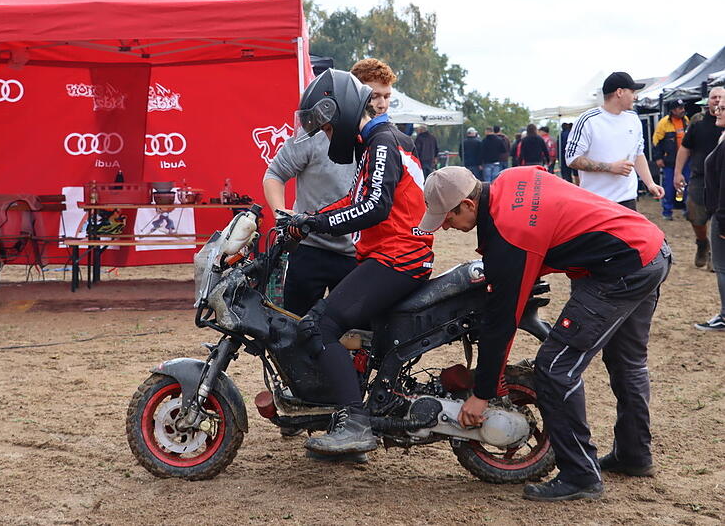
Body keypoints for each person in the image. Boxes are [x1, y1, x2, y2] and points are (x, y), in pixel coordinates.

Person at [419, 165, 671, 502]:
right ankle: (634, 454)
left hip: (620, 270)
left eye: (447, 217)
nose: (446, 226)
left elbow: (502, 320)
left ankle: (580, 475)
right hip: (649, 247)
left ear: (468, 204)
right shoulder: (511, 178)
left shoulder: (511, 234)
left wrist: (482, 393)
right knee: (628, 363)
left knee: (555, 369)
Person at [286, 69, 432, 456]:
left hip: (398, 257)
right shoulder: (377, 143)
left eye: (329, 129)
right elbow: (355, 197)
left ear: (343, 112)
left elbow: (373, 207)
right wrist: (302, 221)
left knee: (317, 327)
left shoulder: (382, 143)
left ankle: (355, 424)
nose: (330, 138)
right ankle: (348, 410)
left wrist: (317, 222)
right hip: (391, 256)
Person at [263, 59, 400, 317]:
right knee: (292, 325)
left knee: (352, 333)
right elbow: (274, 174)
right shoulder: (314, 133)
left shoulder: (384, 141)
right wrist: (282, 213)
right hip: (310, 247)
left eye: (387, 96)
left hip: (357, 254)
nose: (381, 103)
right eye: (373, 96)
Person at [565, 71, 664, 209]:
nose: (635, 97)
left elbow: (638, 154)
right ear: (619, 92)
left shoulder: (633, 119)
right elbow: (571, 159)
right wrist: (611, 167)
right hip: (596, 202)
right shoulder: (588, 120)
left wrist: (650, 184)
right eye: (633, 91)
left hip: (628, 200)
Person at [674, 87, 724, 268]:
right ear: (707, 101)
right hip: (699, 177)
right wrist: (678, 172)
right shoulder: (698, 121)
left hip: (721, 179)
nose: (717, 101)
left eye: (720, 97)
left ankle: (714, 255)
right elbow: (685, 147)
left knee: (719, 217)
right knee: (695, 215)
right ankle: (702, 243)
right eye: (714, 97)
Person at [694, 100, 725, 331]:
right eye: (716, 107)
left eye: (722, 108)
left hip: (723, 215)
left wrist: (722, 223)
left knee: (722, 267)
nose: (716, 110)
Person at [653, 99, 690, 220]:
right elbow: (656, 142)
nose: (682, 110)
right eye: (680, 108)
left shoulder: (686, 121)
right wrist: (658, 158)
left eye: (683, 107)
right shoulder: (664, 123)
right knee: (668, 187)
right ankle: (667, 211)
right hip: (669, 161)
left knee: (685, 186)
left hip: (685, 161)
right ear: (673, 110)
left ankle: (686, 209)